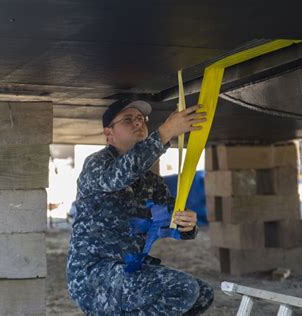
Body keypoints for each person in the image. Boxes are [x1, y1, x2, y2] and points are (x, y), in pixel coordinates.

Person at [67, 100, 214, 315]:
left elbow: (174, 222)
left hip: (127, 270)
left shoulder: (151, 181)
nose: (138, 123)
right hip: (93, 275)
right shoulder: (97, 163)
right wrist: (165, 132)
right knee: (184, 288)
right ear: (109, 134)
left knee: (202, 294)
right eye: (128, 120)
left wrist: (187, 223)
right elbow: (119, 176)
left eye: (140, 119)